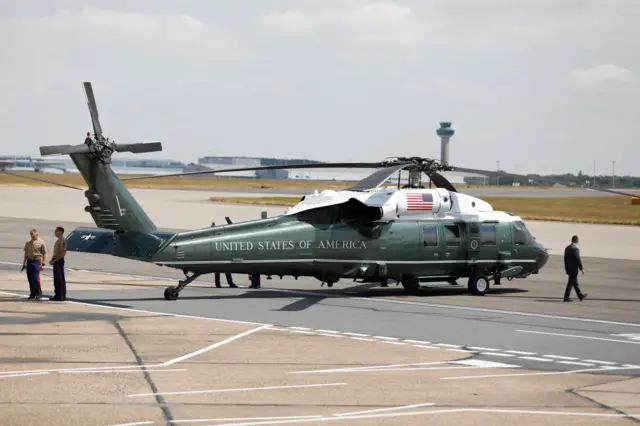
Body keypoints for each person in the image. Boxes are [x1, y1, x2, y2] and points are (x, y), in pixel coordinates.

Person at [23, 229, 47, 300]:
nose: (32, 236)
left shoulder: (41, 242)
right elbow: (26, 253)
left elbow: (44, 253)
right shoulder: (28, 242)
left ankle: (39, 293)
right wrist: (24, 262)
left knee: (36, 278)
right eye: (31, 235)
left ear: (37, 234)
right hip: (29, 261)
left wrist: (42, 263)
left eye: (33, 235)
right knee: (30, 278)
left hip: (37, 261)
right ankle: (32, 294)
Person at [563, 235, 588, 302]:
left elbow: (565, 259)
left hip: (568, 268)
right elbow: (577, 259)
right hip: (574, 269)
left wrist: (566, 268)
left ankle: (580, 296)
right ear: (577, 241)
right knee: (571, 283)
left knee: (575, 283)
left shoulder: (567, 248)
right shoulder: (575, 249)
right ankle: (566, 297)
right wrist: (581, 268)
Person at [49, 226, 67, 301]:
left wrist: (55, 260)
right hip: (56, 261)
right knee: (56, 279)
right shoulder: (58, 240)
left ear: (60, 232)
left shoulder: (63, 240)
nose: (55, 232)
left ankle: (61, 296)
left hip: (59, 261)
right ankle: (57, 295)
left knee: (60, 279)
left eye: (56, 231)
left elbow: (63, 253)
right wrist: (52, 260)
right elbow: (56, 252)